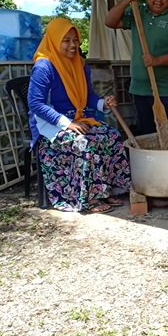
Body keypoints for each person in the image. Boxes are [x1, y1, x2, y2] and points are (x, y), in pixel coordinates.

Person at [28, 18, 131, 213]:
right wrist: (67, 123)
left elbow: (88, 96)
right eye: (66, 40)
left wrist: (103, 103)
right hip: (50, 125)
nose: (73, 45)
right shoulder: (44, 67)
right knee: (85, 143)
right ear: (54, 40)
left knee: (112, 136)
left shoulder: (81, 65)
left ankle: (108, 189)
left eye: (75, 40)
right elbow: (36, 104)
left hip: (77, 119)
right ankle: (89, 197)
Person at [105, 0, 168, 135]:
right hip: (140, 89)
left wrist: (157, 60)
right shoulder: (138, 12)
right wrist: (125, 1)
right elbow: (110, 22)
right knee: (147, 136)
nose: (159, 0)